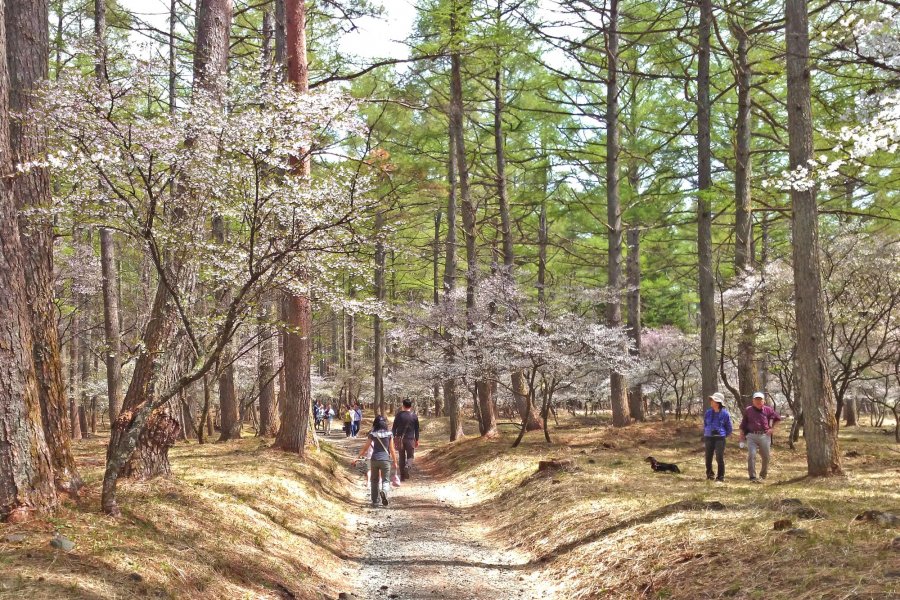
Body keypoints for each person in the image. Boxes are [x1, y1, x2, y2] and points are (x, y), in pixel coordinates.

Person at [351, 416, 398, 507]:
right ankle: (384, 491)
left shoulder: (373, 434)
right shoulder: (389, 434)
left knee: (374, 480)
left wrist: (357, 458)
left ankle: (375, 501)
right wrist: (395, 462)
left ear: (375, 424)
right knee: (385, 480)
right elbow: (392, 449)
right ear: (385, 424)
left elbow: (365, 448)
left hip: (374, 459)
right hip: (385, 460)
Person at [739, 391, 782, 483]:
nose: (758, 401)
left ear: (764, 401)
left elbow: (778, 419)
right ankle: (752, 477)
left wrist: (772, 429)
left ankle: (763, 475)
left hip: (764, 435)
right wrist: (741, 437)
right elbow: (743, 425)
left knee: (766, 456)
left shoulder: (768, 410)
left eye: (760, 399)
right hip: (751, 436)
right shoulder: (748, 410)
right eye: (756, 399)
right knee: (752, 455)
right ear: (753, 401)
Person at [703, 392, 733, 483]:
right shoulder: (708, 412)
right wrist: (707, 431)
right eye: (711, 400)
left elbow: (729, 428)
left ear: (718, 402)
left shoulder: (725, 414)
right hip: (708, 437)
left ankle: (720, 477)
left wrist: (722, 434)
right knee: (708, 457)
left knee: (719, 457)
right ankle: (709, 474)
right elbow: (705, 424)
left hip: (720, 438)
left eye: (713, 400)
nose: (711, 402)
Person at [391, 399, 420, 481]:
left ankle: (402, 476)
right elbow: (417, 429)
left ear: (403, 405)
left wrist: (393, 438)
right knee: (410, 455)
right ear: (410, 406)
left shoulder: (399, 415)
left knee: (401, 456)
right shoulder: (414, 416)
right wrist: (417, 439)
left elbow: (394, 428)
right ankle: (408, 466)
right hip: (410, 439)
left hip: (400, 439)